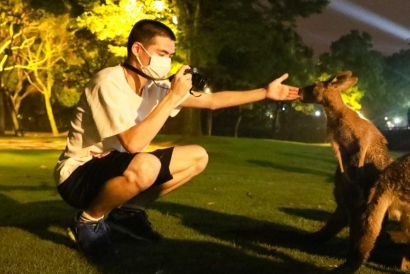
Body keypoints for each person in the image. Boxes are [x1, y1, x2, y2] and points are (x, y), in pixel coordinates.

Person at [54, 19, 300, 256]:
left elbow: (213, 101)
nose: (167, 62)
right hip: (79, 174)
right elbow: (134, 143)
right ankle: (87, 221)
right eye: (161, 53)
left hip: (117, 165)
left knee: (197, 156)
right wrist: (172, 97)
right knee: (147, 163)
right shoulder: (108, 82)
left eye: (170, 56)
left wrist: (265, 92)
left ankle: (128, 213)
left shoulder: (156, 87)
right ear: (138, 50)